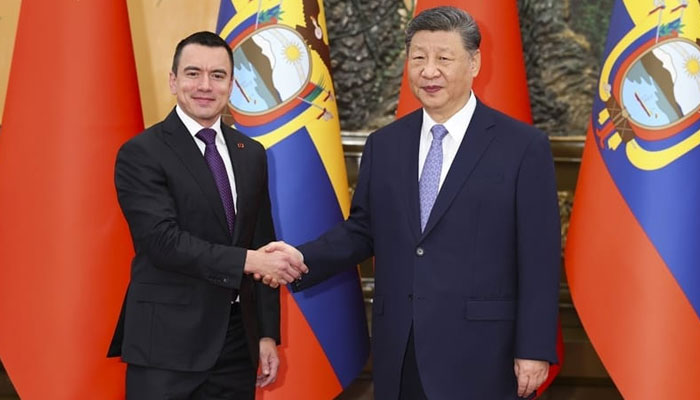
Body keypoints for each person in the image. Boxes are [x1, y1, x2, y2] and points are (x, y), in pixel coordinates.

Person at [265, 6, 561, 399]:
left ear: (474, 63)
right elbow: (363, 230)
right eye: (418, 57)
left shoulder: (522, 147)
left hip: (485, 353)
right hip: (401, 348)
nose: (429, 70)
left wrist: (534, 347)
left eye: (444, 58)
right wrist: (300, 258)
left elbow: (539, 257)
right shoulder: (385, 144)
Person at [107, 31, 306, 400]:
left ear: (231, 84)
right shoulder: (142, 152)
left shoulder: (251, 153)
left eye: (217, 75)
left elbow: (261, 240)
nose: (205, 86)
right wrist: (248, 261)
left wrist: (266, 334)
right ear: (173, 81)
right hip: (165, 346)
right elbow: (162, 242)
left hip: (237, 345)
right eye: (193, 73)